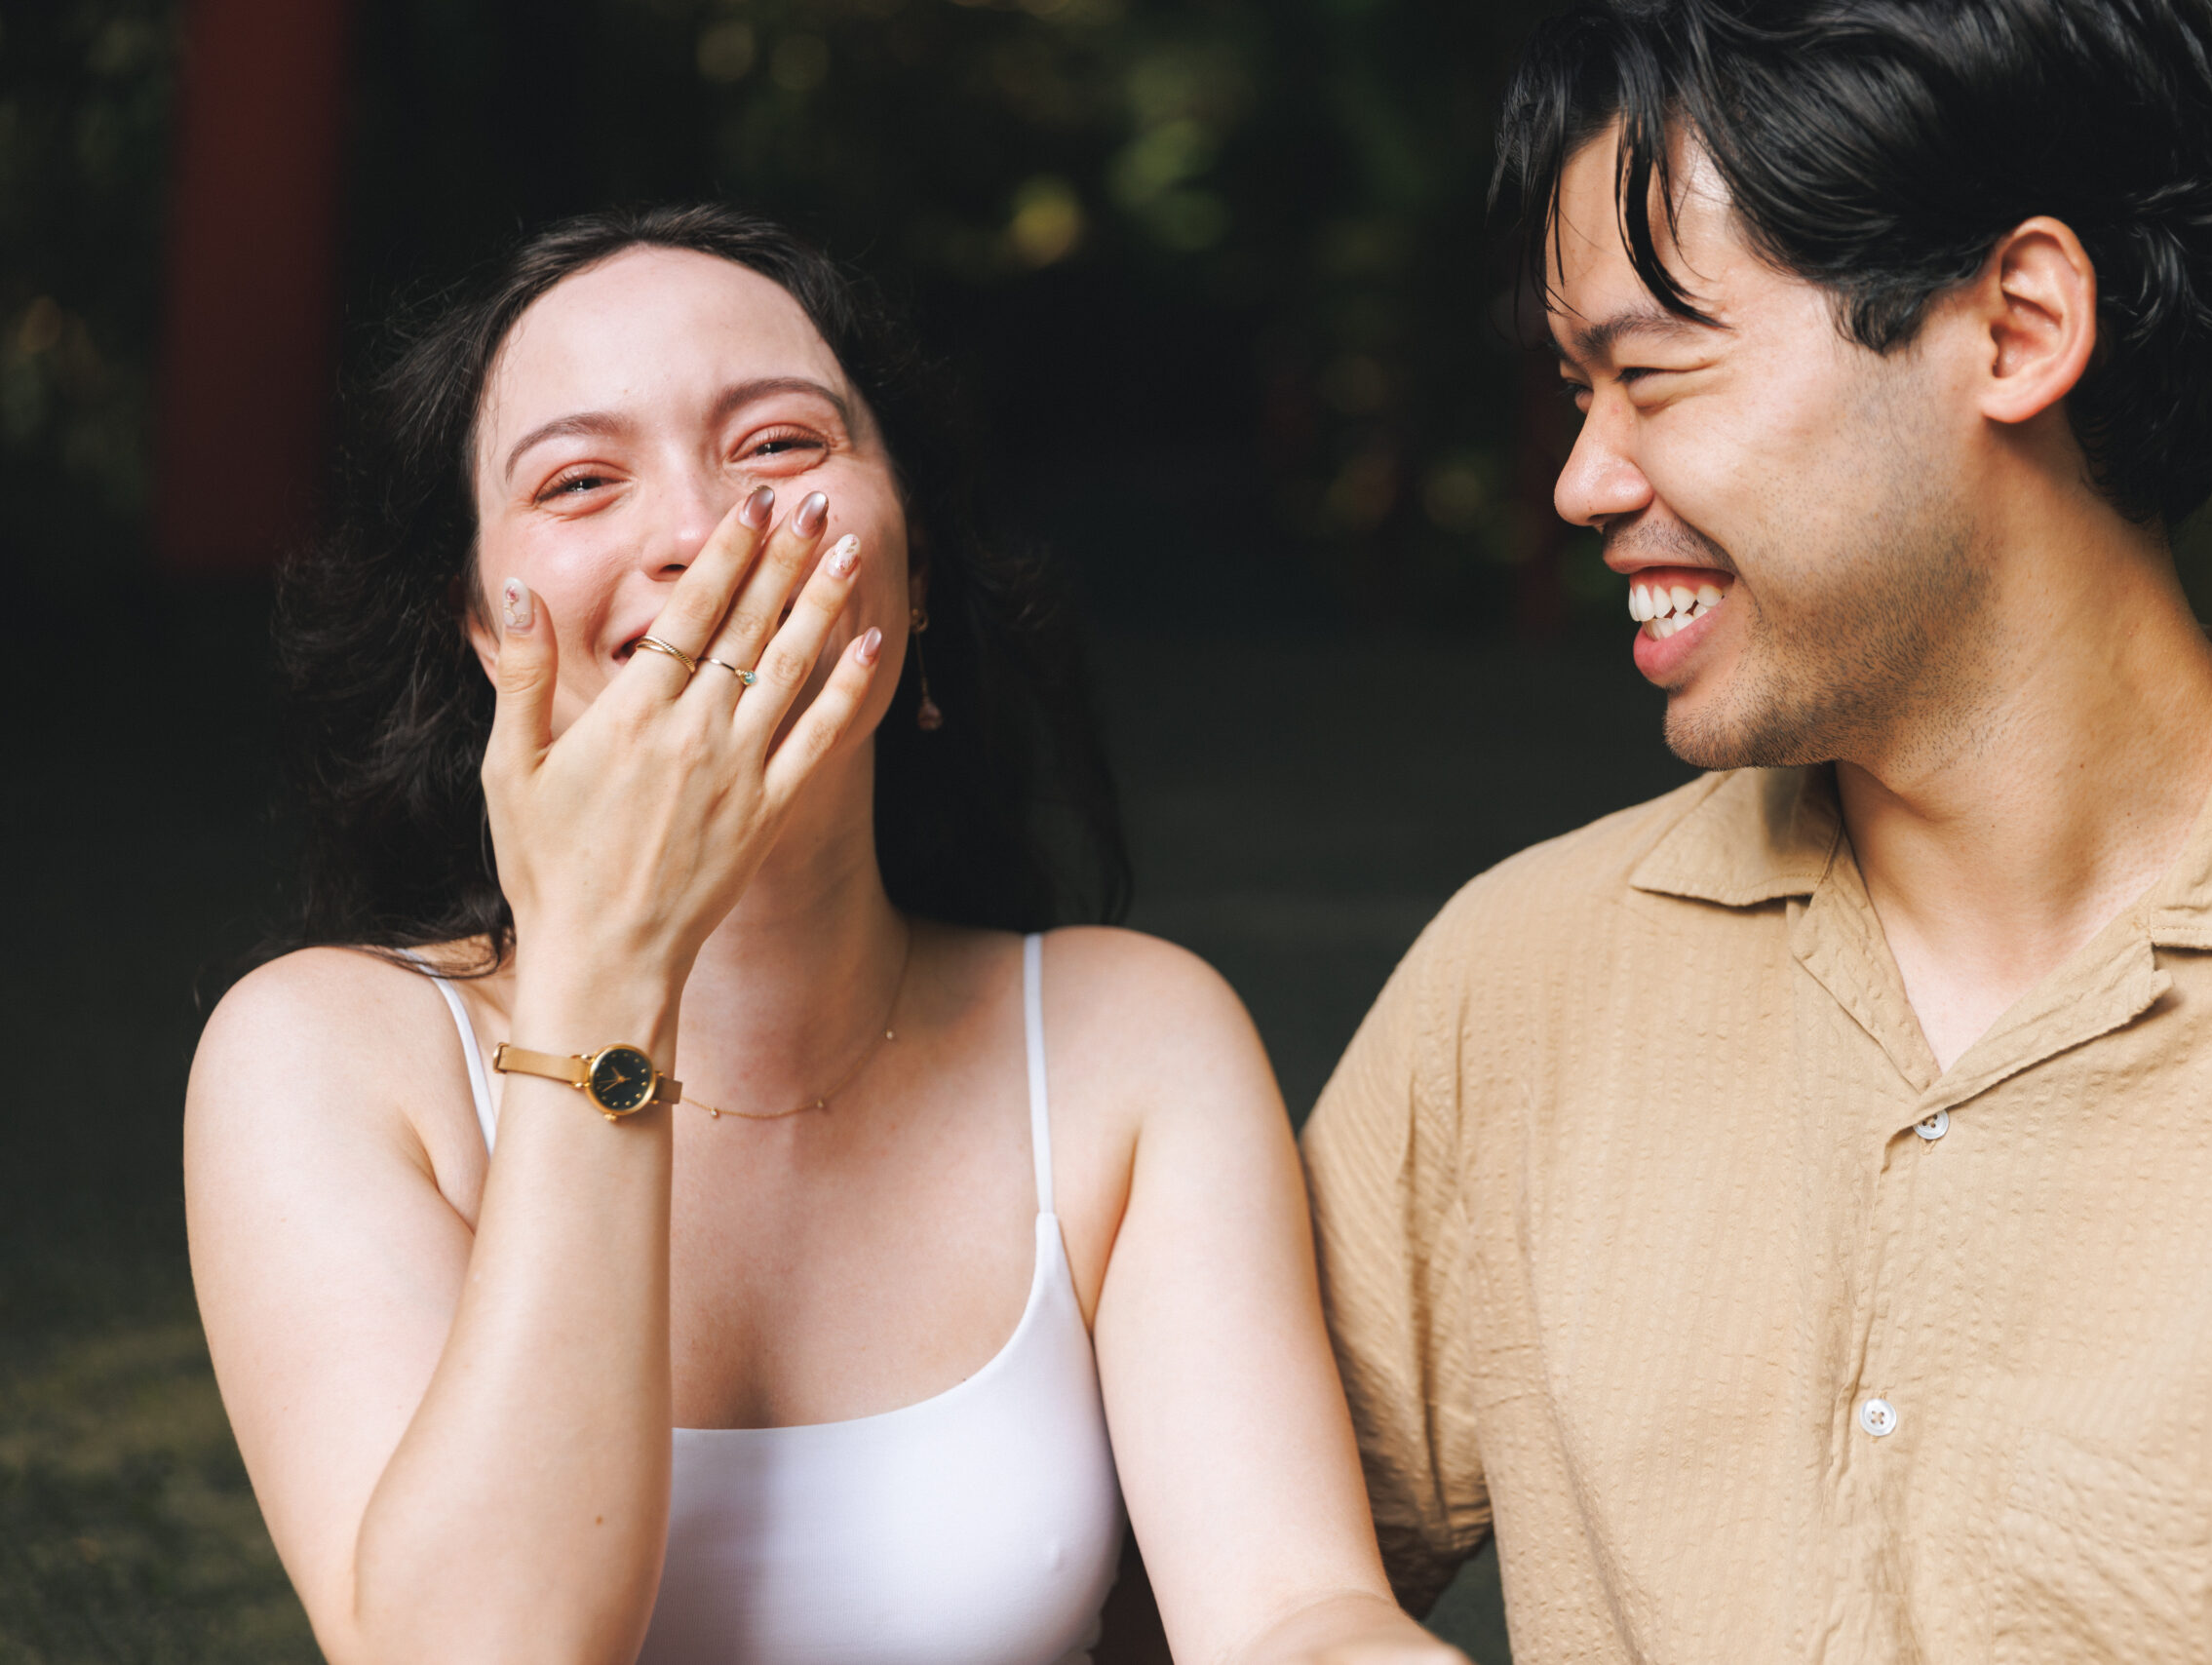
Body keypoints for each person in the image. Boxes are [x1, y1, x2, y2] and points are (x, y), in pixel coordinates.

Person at [1301, 2, 2212, 1659]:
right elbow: (1158, 1590)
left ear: (2017, 327)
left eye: (1652, 372)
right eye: (1580, 389)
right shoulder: (1515, 984)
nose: (1582, 478)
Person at [186, 205, 1464, 1665]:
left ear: (914, 576)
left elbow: (1294, 1615)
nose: (699, 534)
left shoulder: (1133, 1039)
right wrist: (609, 965)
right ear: (488, 631)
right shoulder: (320, 1057)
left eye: (781, 446)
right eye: (583, 478)